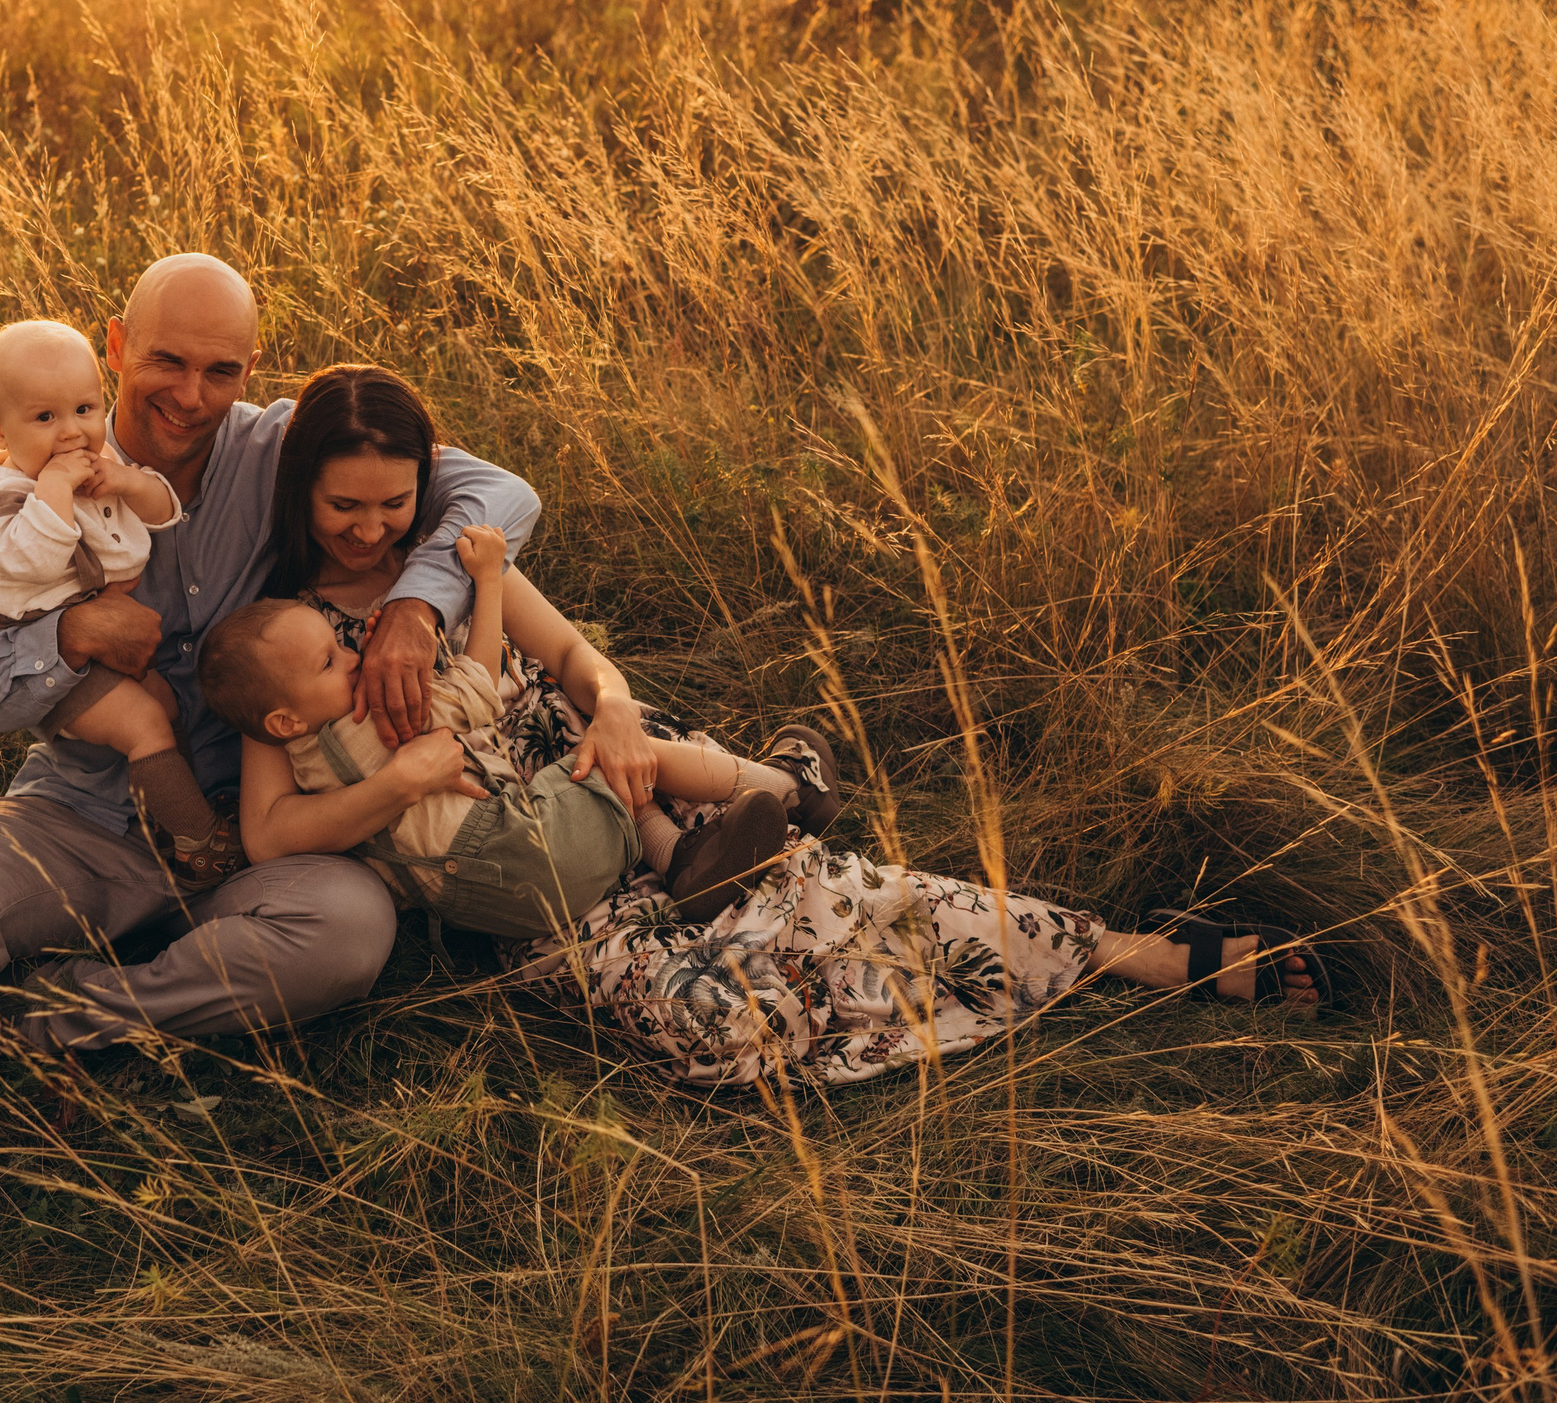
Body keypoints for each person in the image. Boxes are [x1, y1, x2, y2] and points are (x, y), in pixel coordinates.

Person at [0, 255, 540, 1303]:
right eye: (165, 362)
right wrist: (69, 636)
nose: (191, 395)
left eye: (221, 370)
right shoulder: (31, 486)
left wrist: (416, 602)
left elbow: (502, 493)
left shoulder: (279, 449)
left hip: (260, 827)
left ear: (252, 368)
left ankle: (53, 1016)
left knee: (351, 929)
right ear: (115, 346)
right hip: (86, 814)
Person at [245, 363, 1331, 1093]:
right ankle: (813, 902)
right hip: (524, 870)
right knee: (716, 1030)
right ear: (301, 497)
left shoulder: (451, 557)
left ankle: (1135, 955)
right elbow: (270, 827)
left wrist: (614, 710)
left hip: (612, 768)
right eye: (344, 507)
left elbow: (577, 662)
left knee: (831, 889)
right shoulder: (277, 648)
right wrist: (394, 793)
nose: (371, 528)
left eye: (393, 502)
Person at [200, 522, 822, 936]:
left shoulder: (302, 752)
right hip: (512, 846)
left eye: (340, 645)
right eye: (330, 661)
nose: (352, 657)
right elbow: (481, 683)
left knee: (597, 769)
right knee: (603, 755)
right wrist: (490, 581)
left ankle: (679, 858)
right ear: (285, 718)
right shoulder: (376, 714)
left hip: (476, 905)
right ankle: (790, 781)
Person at [0, 317, 229, 870]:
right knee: (145, 725)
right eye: (44, 418)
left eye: (84, 409)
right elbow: (37, 560)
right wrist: (53, 490)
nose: (71, 433)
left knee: (166, 706)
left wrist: (128, 482)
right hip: (55, 664)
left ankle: (173, 814)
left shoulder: (98, 463)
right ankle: (201, 847)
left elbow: (164, 513)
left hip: (104, 646)